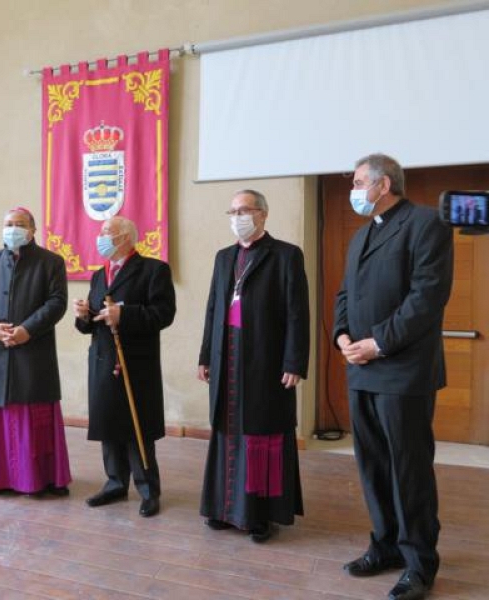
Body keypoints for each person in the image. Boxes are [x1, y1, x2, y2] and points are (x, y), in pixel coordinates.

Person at [333, 154, 454, 600]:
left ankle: (420, 562)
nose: (354, 189)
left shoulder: (426, 224)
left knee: (408, 469)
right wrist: (342, 335)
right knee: (373, 466)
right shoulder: (362, 235)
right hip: (361, 370)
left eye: (360, 181)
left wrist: (378, 342)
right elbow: (345, 292)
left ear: (384, 185)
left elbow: (427, 298)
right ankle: (385, 545)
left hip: (402, 371)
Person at [197, 189, 310, 543]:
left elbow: (297, 313)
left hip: (266, 357)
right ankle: (223, 508)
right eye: (232, 210)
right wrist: (205, 355)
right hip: (226, 354)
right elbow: (214, 308)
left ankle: (261, 515)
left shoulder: (286, 255)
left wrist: (294, 361)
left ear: (262, 214)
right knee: (227, 431)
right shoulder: (223, 257)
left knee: (261, 433)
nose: (237, 216)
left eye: (243, 210)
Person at [73, 216, 175, 517]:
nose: (101, 237)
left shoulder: (154, 270)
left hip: (136, 362)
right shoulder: (97, 275)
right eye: (101, 232)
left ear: (127, 238)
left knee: (137, 428)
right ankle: (115, 483)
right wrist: (84, 316)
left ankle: (148, 489)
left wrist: (124, 315)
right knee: (109, 424)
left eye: (108, 233)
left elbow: (163, 314)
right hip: (103, 361)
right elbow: (91, 326)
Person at [0, 207, 71, 496]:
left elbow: (57, 302)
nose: (13, 228)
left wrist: (27, 329)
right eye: (8, 224)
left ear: (33, 230)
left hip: (33, 351)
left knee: (34, 419)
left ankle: (40, 479)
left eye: (20, 224)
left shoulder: (51, 262)